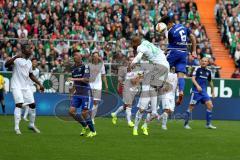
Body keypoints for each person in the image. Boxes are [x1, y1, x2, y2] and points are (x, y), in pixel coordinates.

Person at [130, 36, 170, 136]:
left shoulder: (143, 52)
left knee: (151, 108)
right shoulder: (147, 48)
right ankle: (135, 128)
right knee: (142, 109)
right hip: (159, 74)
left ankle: (145, 125)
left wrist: (133, 63)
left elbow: (139, 56)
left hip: (154, 80)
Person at [5, 45, 44, 135]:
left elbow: (30, 75)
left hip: (26, 87)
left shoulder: (29, 62)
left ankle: (31, 124)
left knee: (33, 105)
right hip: (16, 85)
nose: (30, 50)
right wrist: (15, 57)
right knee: (19, 104)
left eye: (30, 49)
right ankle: (17, 128)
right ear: (23, 50)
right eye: (28, 48)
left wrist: (40, 84)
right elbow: (6, 65)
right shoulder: (17, 59)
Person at [160, 14, 197, 105]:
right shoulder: (182, 26)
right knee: (181, 75)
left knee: (161, 67)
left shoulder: (169, 32)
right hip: (184, 53)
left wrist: (163, 53)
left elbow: (170, 46)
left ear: (169, 24)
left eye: (165, 26)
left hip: (173, 52)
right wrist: (194, 51)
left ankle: (158, 88)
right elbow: (192, 37)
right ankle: (181, 91)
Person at [68, 52, 96, 138]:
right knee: (71, 112)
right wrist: (71, 92)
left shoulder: (85, 66)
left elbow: (86, 80)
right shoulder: (73, 68)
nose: (76, 56)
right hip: (77, 92)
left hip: (85, 92)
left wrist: (73, 78)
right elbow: (72, 82)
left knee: (84, 113)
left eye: (78, 55)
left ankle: (93, 131)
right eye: (75, 55)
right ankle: (84, 126)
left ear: (81, 57)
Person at [184, 57, 216, 129]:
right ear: (200, 62)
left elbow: (210, 81)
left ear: (208, 63)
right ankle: (186, 124)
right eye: (202, 61)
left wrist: (213, 91)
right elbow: (193, 78)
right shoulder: (197, 69)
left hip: (204, 92)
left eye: (205, 61)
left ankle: (208, 124)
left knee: (210, 105)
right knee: (191, 108)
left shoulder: (209, 71)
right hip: (196, 92)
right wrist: (197, 86)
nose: (204, 62)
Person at [89, 51, 108, 124]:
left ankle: (92, 118)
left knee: (95, 102)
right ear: (93, 57)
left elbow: (103, 75)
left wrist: (106, 85)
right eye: (95, 56)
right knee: (89, 102)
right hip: (90, 84)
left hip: (98, 85)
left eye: (97, 56)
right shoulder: (89, 65)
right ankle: (88, 117)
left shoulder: (102, 65)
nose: (96, 57)